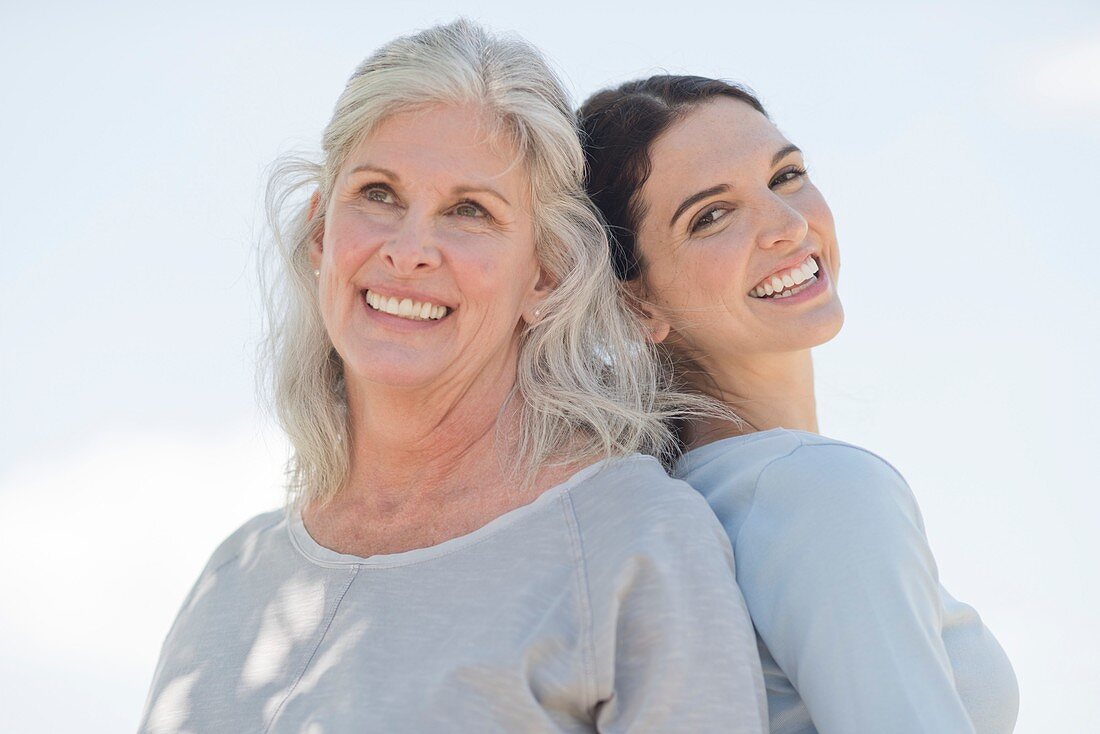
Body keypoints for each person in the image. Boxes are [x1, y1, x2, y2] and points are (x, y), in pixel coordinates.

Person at [138, 25, 769, 734]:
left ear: (547, 274)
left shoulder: (634, 539)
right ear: (321, 234)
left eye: (469, 210)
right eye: (378, 194)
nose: (409, 251)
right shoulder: (233, 576)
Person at [578, 75, 1019, 734]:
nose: (787, 225)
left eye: (785, 177)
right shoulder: (818, 490)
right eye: (712, 215)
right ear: (636, 301)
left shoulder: (682, 499)